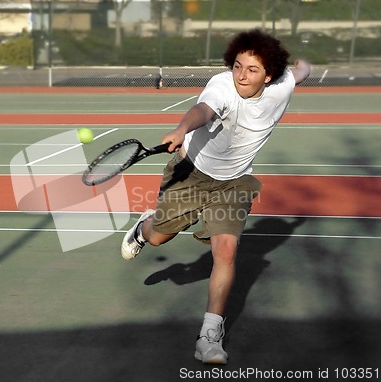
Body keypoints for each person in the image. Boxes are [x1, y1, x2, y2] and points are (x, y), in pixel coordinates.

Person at [121, 29, 311, 364]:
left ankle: (209, 335)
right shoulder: (222, 87)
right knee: (158, 238)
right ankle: (143, 227)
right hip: (191, 172)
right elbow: (204, 111)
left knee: (225, 250)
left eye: (252, 70)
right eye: (237, 65)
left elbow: (299, 73)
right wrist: (182, 129)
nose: (241, 74)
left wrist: (302, 66)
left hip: (234, 182)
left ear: (269, 76)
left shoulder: (282, 86)